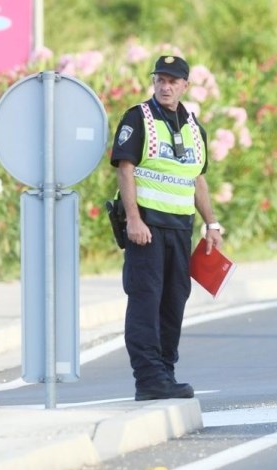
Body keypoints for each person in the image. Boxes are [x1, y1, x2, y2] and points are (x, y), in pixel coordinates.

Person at [110, 55, 224, 401]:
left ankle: (165, 372)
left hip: (180, 229)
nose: (165, 86)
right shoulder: (138, 118)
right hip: (147, 229)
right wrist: (133, 218)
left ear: (185, 86)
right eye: (160, 79)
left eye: (173, 81)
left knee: (174, 301)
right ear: (154, 81)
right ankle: (148, 378)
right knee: (146, 301)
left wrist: (211, 223)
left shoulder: (194, 127)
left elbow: (197, 180)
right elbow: (125, 170)